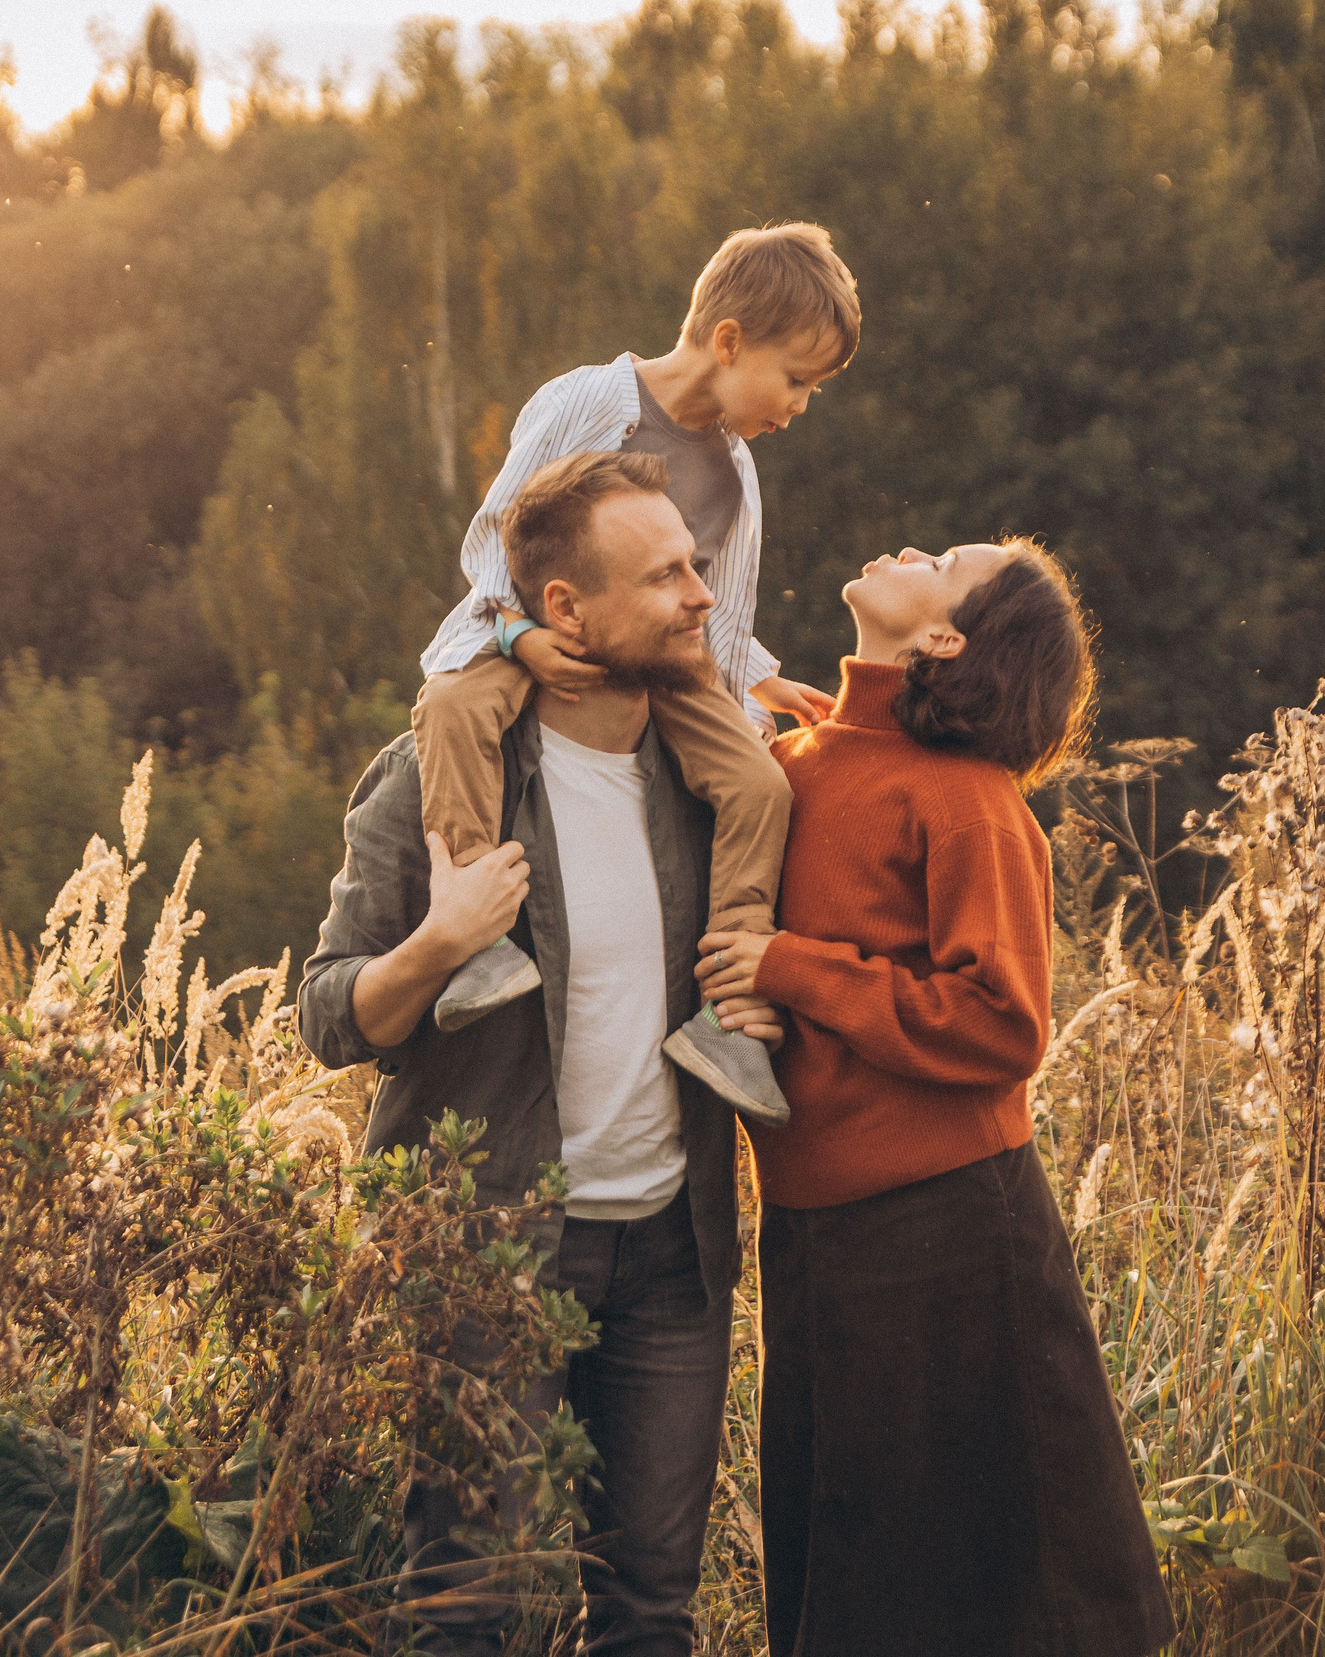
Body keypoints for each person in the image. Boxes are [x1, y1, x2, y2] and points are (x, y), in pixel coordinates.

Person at [298, 451, 784, 1657]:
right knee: (471, 1604)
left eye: (696, 563)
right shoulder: (437, 773)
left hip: (674, 1257)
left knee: (647, 1610)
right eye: (664, 573)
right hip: (487, 1256)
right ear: (562, 611)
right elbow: (325, 1014)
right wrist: (439, 943)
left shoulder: (705, 777)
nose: (698, 596)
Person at [693, 539, 1177, 1657]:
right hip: (814, 1227)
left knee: (996, 1595)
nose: (911, 545)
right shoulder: (800, 756)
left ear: (944, 636)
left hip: (951, 1228)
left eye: (944, 558)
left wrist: (789, 964)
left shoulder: (965, 802)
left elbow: (1004, 1022)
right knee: (851, 1569)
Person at [408, 223, 858, 1131]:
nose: (802, 404)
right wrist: (517, 633)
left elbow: (716, 605)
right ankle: (476, 943)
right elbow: (495, 531)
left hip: (662, 664)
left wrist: (755, 685)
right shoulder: (591, 400)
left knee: (758, 784)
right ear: (728, 341)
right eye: (798, 378)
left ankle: (729, 1013)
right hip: (534, 626)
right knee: (451, 708)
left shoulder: (736, 470)